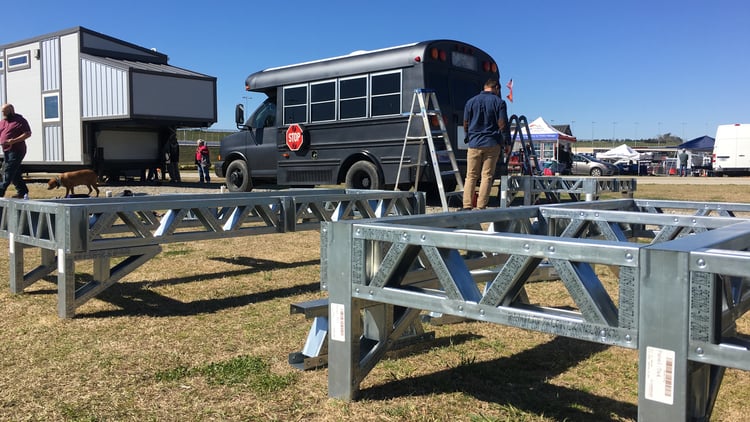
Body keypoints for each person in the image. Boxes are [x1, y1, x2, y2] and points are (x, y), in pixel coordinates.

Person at [461, 79, 510, 210]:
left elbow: (465, 123)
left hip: (474, 143)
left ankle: (466, 205)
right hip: (492, 143)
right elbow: (503, 124)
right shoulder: (499, 103)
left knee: (470, 176)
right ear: (496, 88)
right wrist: (507, 143)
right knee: (486, 176)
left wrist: (468, 137)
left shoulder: (470, 102)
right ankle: (481, 206)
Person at [0, 104, 32, 199]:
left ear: (11, 111)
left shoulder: (20, 121)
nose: (3, 114)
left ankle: (1, 190)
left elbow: (27, 134)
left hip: (17, 150)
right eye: (2, 112)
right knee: (15, 172)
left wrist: (13, 141)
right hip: (6, 150)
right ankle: (22, 192)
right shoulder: (3, 122)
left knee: (8, 169)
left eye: (5, 112)